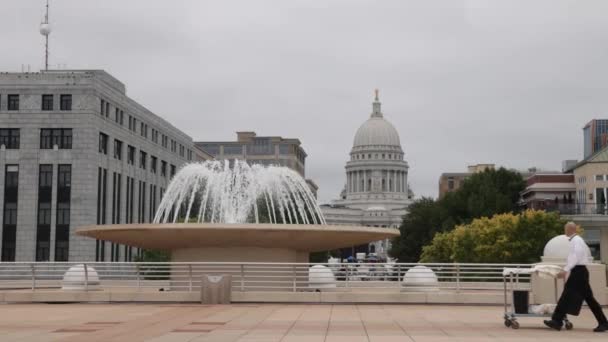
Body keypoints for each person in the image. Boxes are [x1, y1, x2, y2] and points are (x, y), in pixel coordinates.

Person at [544, 222, 608, 332]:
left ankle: (557, 320)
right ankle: (603, 323)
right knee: (588, 298)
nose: (565, 231)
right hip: (580, 272)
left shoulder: (576, 241)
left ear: (570, 230)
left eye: (565, 229)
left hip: (578, 272)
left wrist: (565, 270)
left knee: (566, 295)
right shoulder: (577, 240)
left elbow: (575, 256)